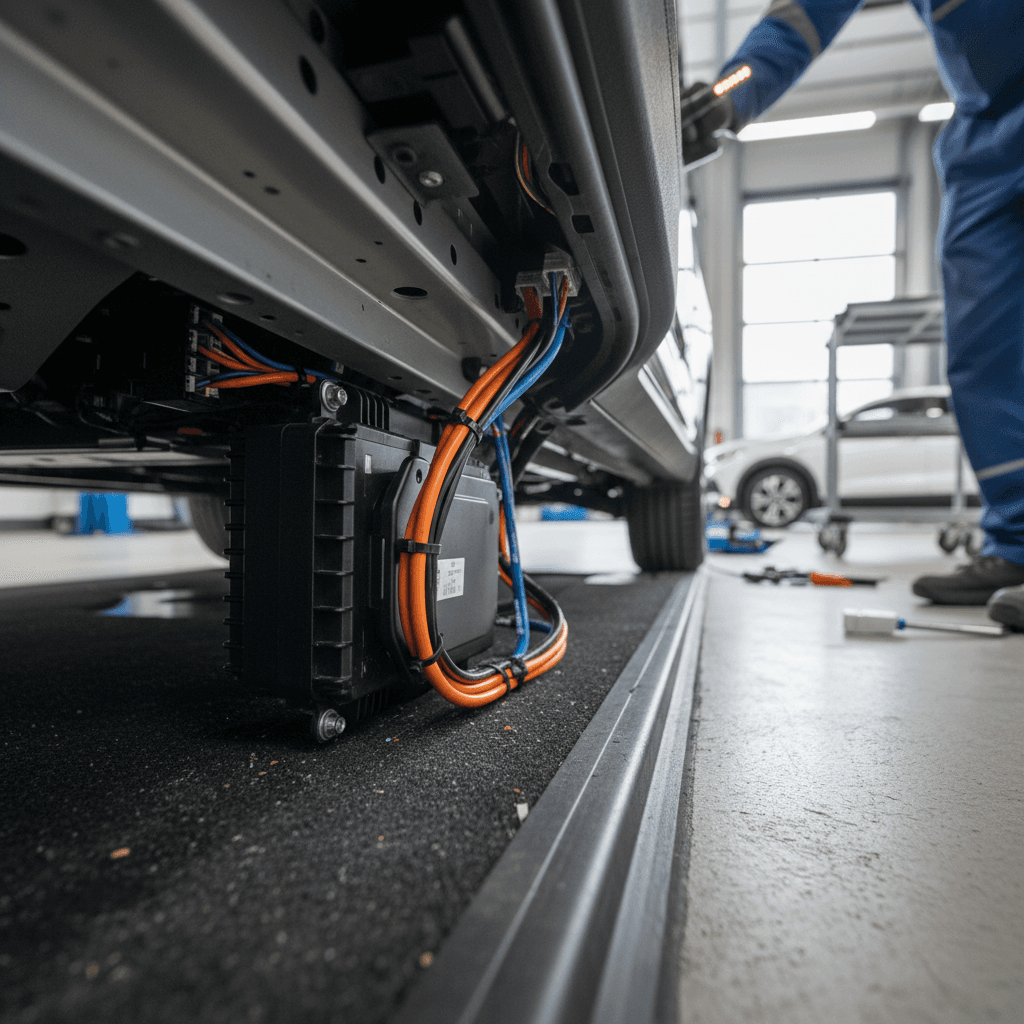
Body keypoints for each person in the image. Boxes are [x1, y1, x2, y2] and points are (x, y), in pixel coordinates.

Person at [684, 0, 1024, 625]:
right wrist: (730, 97)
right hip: (987, 134)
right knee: (984, 348)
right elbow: (799, 20)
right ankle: (1020, 547)